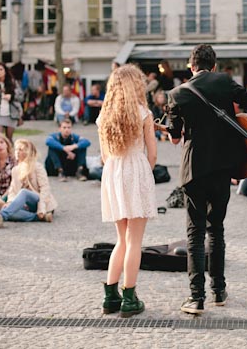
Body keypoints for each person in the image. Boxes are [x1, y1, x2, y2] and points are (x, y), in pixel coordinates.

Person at [167, 44, 247, 315]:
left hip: (194, 170)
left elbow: (175, 137)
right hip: (224, 167)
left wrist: (172, 129)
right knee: (217, 229)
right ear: (214, 66)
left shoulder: (177, 94)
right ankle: (219, 291)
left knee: (195, 233)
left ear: (191, 67)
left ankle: (196, 297)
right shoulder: (225, 82)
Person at [97, 64, 157, 318]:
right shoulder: (143, 113)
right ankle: (129, 298)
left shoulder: (104, 117)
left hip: (113, 171)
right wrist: (145, 171)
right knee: (135, 241)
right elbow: (152, 154)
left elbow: (103, 156)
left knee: (121, 239)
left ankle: (110, 297)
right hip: (135, 169)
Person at [0, 139, 58, 230]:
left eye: (21, 149)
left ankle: (0, 217)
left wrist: (41, 208)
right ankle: (38, 217)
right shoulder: (16, 170)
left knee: (24, 192)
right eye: (16, 149)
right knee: (9, 210)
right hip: (26, 206)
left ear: (28, 152)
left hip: (41, 202)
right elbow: (13, 191)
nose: (17, 152)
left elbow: (45, 189)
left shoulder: (37, 167)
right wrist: (10, 203)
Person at [0, 62, 24, 142]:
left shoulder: (13, 83)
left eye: (1, 69)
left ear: (5, 71)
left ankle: (11, 154)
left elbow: (21, 96)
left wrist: (11, 97)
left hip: (11, 115)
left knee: (9, 139)